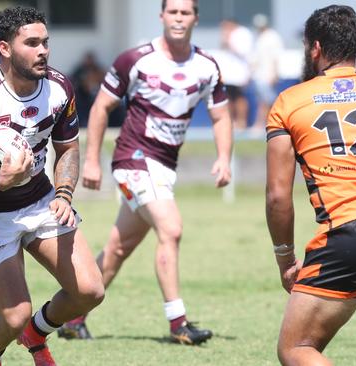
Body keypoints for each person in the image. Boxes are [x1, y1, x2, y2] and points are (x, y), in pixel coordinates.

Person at [59, 0, 232, 345]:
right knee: (171, 228)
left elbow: (221, 115)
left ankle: (71, 318)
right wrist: (91, 159)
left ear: (196, 18)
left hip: (164, 167)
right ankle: (178, 324)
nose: (179, 18)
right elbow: (100, 108)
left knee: (118, 249)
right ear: (162, 16)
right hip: (133, 160)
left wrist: (224, 157)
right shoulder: (135, 59)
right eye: (173, 12)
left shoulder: (207, 66)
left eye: (186, 13)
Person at [0, 6, 104, 366]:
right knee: (14, 316)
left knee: (90, 291)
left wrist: (63, 193)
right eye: (32, 43)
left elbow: (67, 149)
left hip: (39, 199)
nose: (43, 51)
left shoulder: (59, 87)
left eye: (45, 42)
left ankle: (36, 333)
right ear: (5, 48)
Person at [266, 5, 356, 365]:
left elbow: (277, 197)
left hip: (349, 231)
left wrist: (285, 257)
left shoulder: (290, 102)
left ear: (314, 48)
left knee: (297, 348)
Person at [249, 13, 283, 134]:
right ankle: (262, 124)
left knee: (267, 101)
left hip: (268, 74)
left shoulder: (272, 37)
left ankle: (265, 124)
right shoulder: (259, 37)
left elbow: (275, 57)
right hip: (259, 74)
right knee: (262, 101)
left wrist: (274, 74)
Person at [219, 18, 253, 130]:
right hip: (228, 74)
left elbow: (243, 51)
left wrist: (229, 40)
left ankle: (241, 121)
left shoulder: (243, 33)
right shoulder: (228, 35)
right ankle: (231, 120)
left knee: (239, 97)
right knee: (228, 97)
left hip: (239, 74)